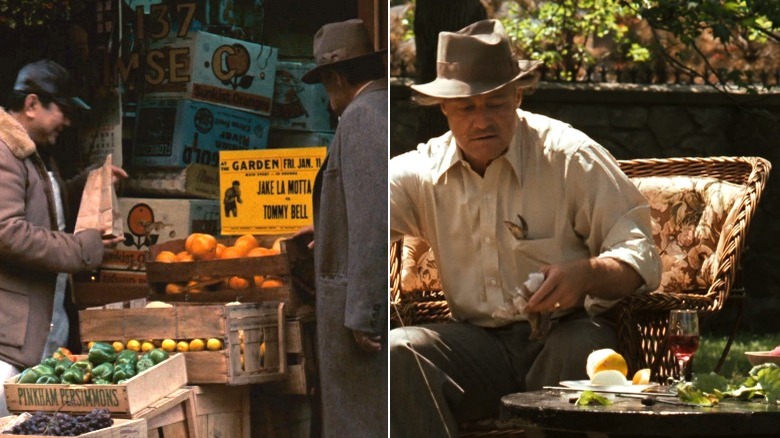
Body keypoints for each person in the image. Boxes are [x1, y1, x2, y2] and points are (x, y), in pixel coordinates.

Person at [389, 20, 662, 437]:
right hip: (476, 348)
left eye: (496, 103)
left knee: (582, 346)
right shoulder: (422, 172)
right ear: (444, 108)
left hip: (564, 336)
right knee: (400, 351)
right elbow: (360, 214)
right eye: (466, 107)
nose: (482, 121)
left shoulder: (570, 157)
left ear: (518, 95)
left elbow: (639, 255)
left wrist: (586, 273)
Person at [0, 59, 126, 416]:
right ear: (32, 105)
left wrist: (86, 184)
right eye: (64, 110)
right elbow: (6, 232)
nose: (68, 122)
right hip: (8, 345)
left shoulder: (34, 153)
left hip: (39, 334)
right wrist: (85, 247)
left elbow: (44, 211)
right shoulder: (3, 152)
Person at [297, 18, 388, 438]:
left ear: (335, 77)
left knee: (360, 421)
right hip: (355, 300)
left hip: (357, 315)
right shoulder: (372, 112)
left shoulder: (363, 117)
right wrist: (326, 232)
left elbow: (372, 215)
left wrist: (366, 312)